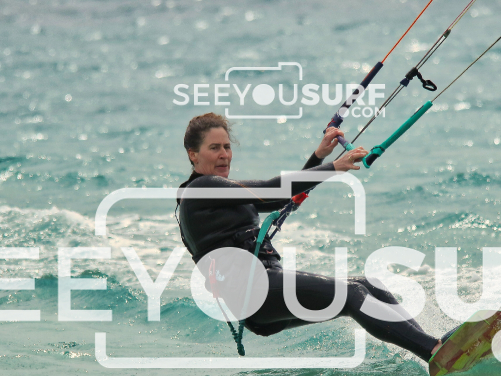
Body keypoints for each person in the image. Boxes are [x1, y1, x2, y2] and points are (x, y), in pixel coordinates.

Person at [176, 112, 449, 362]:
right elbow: (273, 189)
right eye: (214, 148)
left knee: (369, 285)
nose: (224, 154)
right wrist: (334, 166)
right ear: (193, 155)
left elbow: (282, 199)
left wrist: (317, 157)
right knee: (352, 294)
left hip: (261, 295)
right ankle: (433, 351)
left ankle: (431, 346)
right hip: (255, 293)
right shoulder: (201, 189)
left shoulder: (218, 193)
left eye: (227, 147)